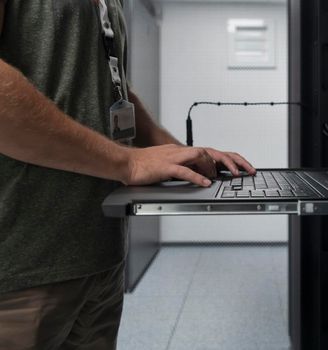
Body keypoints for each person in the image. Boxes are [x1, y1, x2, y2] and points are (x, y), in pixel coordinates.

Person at [0, 1, 255, 349]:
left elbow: (113, 89)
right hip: (21, 269)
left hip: (100, 259)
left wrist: (185, 155)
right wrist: (128, 163)